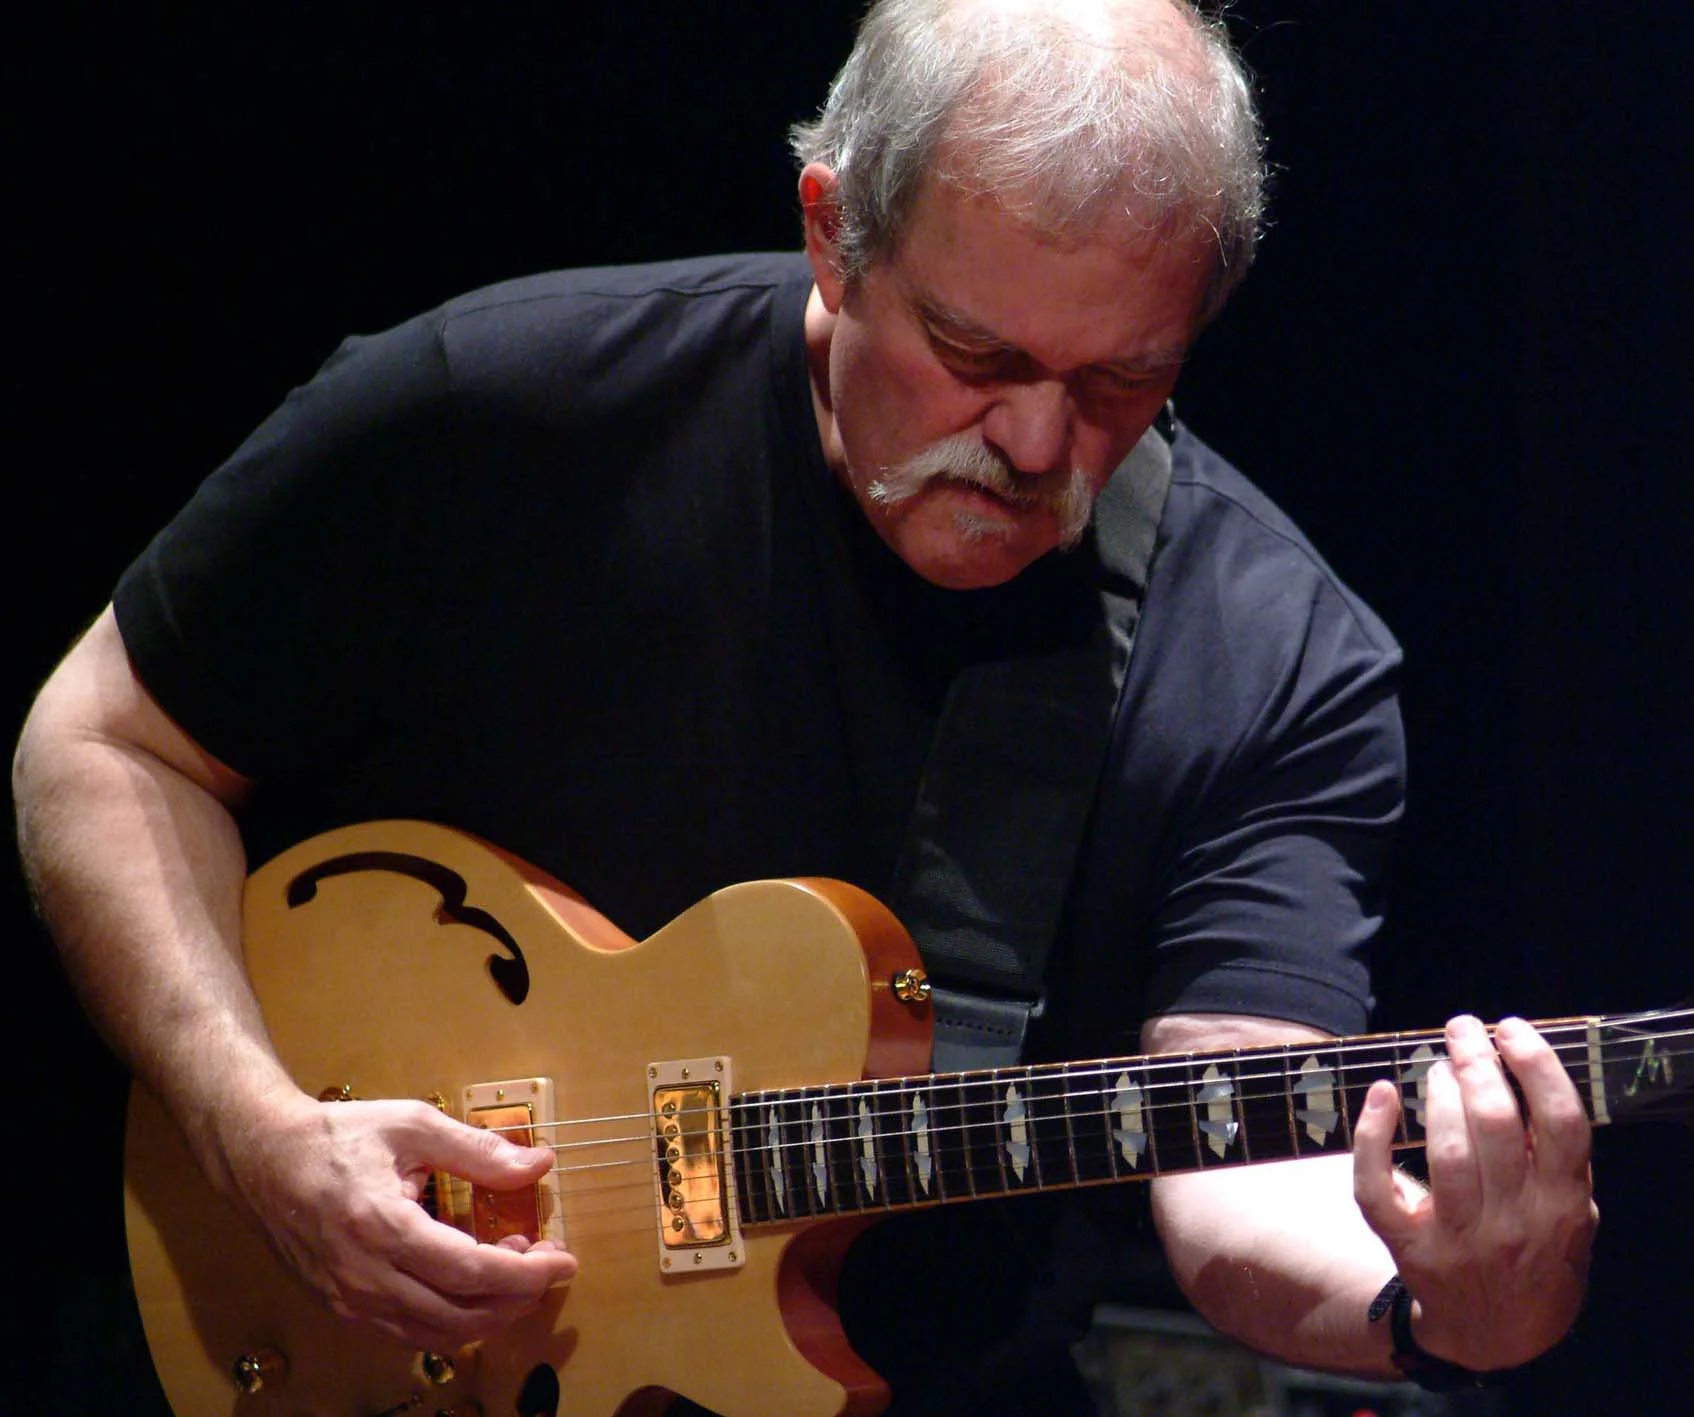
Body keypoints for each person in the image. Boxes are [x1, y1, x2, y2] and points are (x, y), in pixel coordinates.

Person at [12, 0, 1596, 1412]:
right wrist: (255, 1128)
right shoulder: (501, 410)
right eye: (974, 353)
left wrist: (1448, 1305)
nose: (1041, 447)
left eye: (1124, 382)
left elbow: (1240, 1180)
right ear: (832, 233)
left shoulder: (1272, 657)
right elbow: (103, 739)